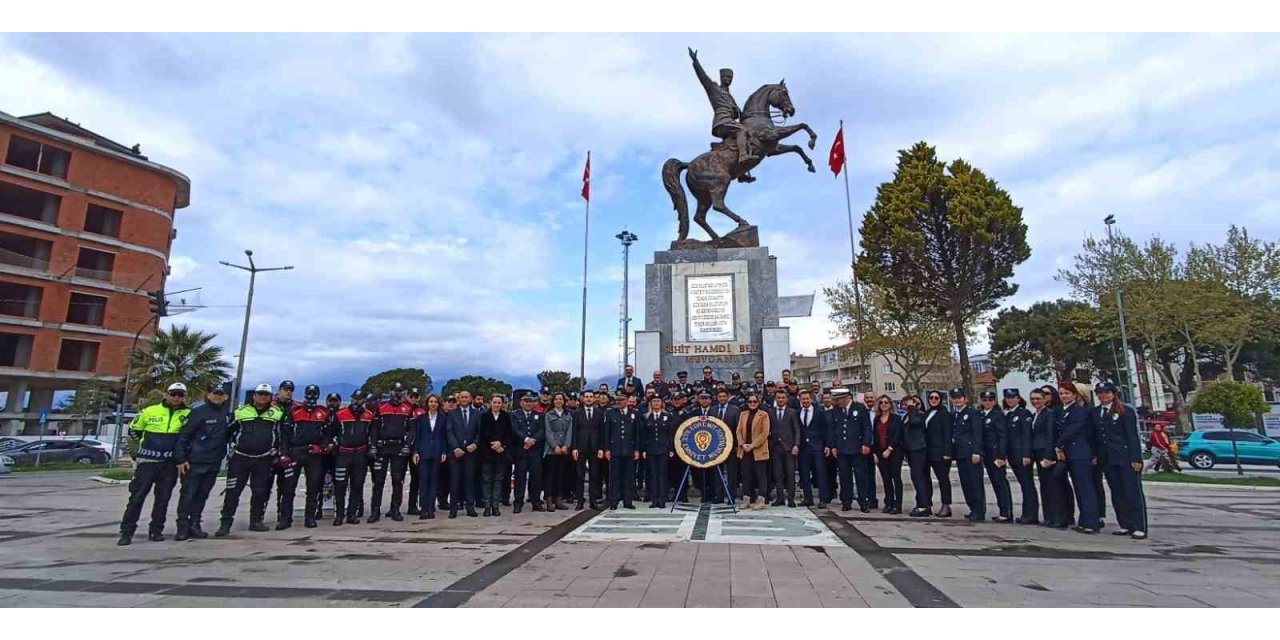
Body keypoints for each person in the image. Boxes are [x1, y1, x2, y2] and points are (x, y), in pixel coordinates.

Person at [117, 382, 191, 545]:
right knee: (137, 498)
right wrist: (140, 451)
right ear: (166, 394)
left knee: (163, 499)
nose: (176, 397)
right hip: (147, 462)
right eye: (173, 394)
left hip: (169, 464)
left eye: (180, 394)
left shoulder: (188, 414)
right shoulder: (149, 411)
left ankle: (156, 530)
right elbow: (134, 431)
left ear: (184, 397)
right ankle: (126, 532)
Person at [216, 384, 283, 537]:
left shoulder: (277, 413)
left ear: (271, 396)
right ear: (254, 395)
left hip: (263, 459)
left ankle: (256, 521)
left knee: (260, 491)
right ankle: (225, 523)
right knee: (233, 491)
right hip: (240, 459)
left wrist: (277, 452)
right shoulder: (240, 412)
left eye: (266, 394)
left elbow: (281, 435)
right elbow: (227, 433)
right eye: (260, 393)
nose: (263, 397)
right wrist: (229, 450)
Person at [173, 381, 231, 541]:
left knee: (202, 496)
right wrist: (181, 459)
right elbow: (183, 436)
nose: (217, 396)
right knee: (188, 495)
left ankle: (195, 524)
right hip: (194, 462)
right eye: (214, 393)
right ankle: (182, 528)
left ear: (225, 396)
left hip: (213, 462)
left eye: (220, 394)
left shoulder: (226, 414)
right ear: (208, 395)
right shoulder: (197, 413)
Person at [1094, 382, 1148, 540]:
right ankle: (1125, 524)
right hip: (1108, 458)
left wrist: (1136, 458)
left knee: (1132, 492)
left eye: (1106, 392)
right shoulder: (1097, 412)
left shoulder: (1125, 411)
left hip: (1125, 457)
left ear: (1113, 393)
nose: (1103, 395)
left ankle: (1139, 526)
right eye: (1100, 392)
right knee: (1117, 493)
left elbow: (1132, 436)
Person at [286, 385, 334, 529]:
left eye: (314, 394)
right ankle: (285, 518)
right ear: (305, 394)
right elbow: (285, 432)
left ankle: (310, 518)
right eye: (309, 393)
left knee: (313, 487)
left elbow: (329, 432)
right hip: (296, 452)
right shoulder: (294, 411)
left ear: (318, 395)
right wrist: (285, 452)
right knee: (289, 487)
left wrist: (323, 446)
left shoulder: (323, 412)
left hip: (315, 453)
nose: (311, 396)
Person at [1056, 382, 1101, 534]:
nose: (1064, 396)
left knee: (1085, 488)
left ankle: (1091, 522)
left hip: (1080, 453)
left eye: (1067, 393)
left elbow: (1072, 430)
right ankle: (1084, 521)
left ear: (1075, 395)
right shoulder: (1064, 411)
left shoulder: (1079, 411)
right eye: (1061, 393)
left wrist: (1058, 444)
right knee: (1079, 489)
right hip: (1071, 453)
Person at [369, 382, 414, 523]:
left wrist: (407, 445)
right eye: (395, 390)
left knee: (398, 480)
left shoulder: (408, 408)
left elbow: (412, 429)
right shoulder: (381, 407)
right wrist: (373, 445)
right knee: (378, 481)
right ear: (390, 391)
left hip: (399, 448)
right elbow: (374, 428)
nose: (397, 393)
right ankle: (375, 511)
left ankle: (395, 509)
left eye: (400, 391)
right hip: (383, 447)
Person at [332, 390, 374, 525]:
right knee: (340, 486)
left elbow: (372, 434)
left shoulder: (369, 415)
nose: (356, 401)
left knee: (357, 486)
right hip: (343, 455)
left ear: (364, 401)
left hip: (360, 455)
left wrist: (371, 448)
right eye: (354, 399)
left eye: (360, 399)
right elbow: (331, 433)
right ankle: (339, 515)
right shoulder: (340, 414)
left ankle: (352, 515)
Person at [1003, 389, 1039, 525]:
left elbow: (1026, 435)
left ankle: (1031, 515)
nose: (1010, 400)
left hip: (1022, 455)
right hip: (1013, 456)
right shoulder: (1009, 415)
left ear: (1019, 399)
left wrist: (1026, 454)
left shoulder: (1024, 414)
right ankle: (1026, 513)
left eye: (1013, 397)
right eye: (1008, 398)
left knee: (1027, 485)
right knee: (1024, 484)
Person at [950, 388, 986, 521]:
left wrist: (977, 451)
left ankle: (979, 510)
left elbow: (977, 433)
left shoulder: (972, 413)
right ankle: (972, 508)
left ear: (965, 399)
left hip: (971, 453)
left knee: (975, 483)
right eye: (954, 398)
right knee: (966, 483)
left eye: (959, 397)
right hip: (960, 454)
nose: (957, 400)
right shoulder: (954, 415)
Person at [977, 390, 1013, 523]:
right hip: (987, 454)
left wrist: (1001, 456)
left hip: (995, 453)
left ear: (994, 401)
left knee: (1000, 482)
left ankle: (1006, 512)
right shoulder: (982, 415)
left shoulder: (997, 415)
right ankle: (1003, 510)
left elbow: (1002, 436)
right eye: (984, 400)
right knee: (995, 482)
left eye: (990, 400)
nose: (987, 402)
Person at [410, 394, 447, 519]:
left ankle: (431, 508)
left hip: (436, 452)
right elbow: (417, 436)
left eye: (435, 402)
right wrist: (415, 452)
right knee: (423, 481)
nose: (433, 404)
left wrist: (443, 452)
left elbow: (444, 437)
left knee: (434, 481)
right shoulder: (421, 418)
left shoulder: (443, 418)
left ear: (438, 404)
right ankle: (423, 508)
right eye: (431, 402)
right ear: (427, 403)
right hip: (423, 452)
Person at [446, 390, 481, 518]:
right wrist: (455, 447)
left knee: (470, 480)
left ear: (470, 399)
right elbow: (449, 432)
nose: (464, 399)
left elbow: (480, 432)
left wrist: (475, 444)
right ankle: (453, 508)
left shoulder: (477, 414)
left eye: (466, 397)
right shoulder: (451, 414)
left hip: (471, 452)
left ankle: (470, 506)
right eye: (462, 397)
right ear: (458, 399)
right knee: (455, 480)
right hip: (456, 453)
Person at [603, 392, 640, 509]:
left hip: (629, 449)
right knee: (615, 477)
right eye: (617, 400)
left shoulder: (634, 414)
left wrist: (637, 449)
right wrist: (607, 449)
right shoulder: (610, 413)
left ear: (627, 400)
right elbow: (606, 433)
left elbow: (637, 433)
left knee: (629, 476)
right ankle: (613, 501)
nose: (618, 402)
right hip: (615, 449)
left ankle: (627, 501)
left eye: (621, 400)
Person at [510, 393, 546, 513]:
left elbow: (542, 430)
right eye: (526, 401)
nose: (528, 403)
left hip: (535, 451)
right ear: (521, 403)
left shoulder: (539, 415)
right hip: (521, 450)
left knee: (536, 478)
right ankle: (518, 502)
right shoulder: (515, 415)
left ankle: (536, 502)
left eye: (530, 401)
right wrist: (526, 439)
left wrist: (533, 440)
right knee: (520, 478)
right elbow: (515, 429)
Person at [920, 391, 954, 517]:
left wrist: (947, 452)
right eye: (931, 397)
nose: (933, 399)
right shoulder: (927, 413)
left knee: (943, 479)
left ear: (941, 399)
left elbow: (948, 434)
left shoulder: (945, 414)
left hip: (940, 452)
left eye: (936, 398)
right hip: (928, 452)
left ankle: (946, 505)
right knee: (926, 479)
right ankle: (927, 504)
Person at [479, 394, 513, 517]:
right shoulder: (484, 416)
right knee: (487, 480)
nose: (497, 405)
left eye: (499, 403)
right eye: (495, 402)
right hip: (487, 453)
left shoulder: (506, 417)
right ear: (490, 403)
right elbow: (482, 435)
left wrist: (501, 445)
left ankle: (495, 506)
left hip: (501, 453)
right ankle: (487, 506)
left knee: (498, 479)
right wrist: (491, 444)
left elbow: (509, 434)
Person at [271, 380, 299, 529]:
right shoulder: (270, 406)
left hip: (289, 453)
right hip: (270, 453)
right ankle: (257, 517)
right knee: (263, 488)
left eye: (290, 389)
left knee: (287, 487)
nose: (288, 392)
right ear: (279, 390)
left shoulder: (296, 407)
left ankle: (284, 516)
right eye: (285, 389)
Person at [573, 389, 607, 510]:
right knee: (579, 475)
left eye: (591, 397)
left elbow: (603, 432)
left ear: (594, 399)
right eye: (586, 397)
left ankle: (593, 501)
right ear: (583, 399)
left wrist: (602, 448)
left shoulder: (599, 413)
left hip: (595, 447)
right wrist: (574, 447)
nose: (588, 399)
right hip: (581, 447)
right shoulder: (577, 413)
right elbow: (574, 431)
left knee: (594, 475)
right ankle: (580, 502)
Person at [736, 393, 771, 509]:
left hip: (758, 450)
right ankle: (747, 499)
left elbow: (765, 433)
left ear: (758, 402)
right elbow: (738, 431)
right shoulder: (743, 414)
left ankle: (761, 499)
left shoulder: (763, 414)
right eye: (750, 402)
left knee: (761, 476)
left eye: (754, 402)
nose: (752, 404)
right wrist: (742, 444)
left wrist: (753, 445)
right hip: (745, 450)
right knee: (746, 475)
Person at [796, 389, 830, 506]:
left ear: (811, 399)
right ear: (800, 400)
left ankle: (822, 499)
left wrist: (827, 445)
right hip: (803, 448)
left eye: (807, 399)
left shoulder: (819, 412)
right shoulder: (797, 412)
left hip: (817, 447)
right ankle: (807, 499)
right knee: (804, 474)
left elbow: (826, 429)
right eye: (803, 399)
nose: (805, 401)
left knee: (820, 473)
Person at [873, 395, 906, 514]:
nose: (883, 404)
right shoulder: (876, 419)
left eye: (886, 402)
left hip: (894, 451)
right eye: (881, 402)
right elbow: (875, 437)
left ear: (890, 404)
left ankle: (898, 505)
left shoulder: (896, 418)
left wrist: (890, 449)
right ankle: (889, 503)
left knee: (896, 478)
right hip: (880, 452)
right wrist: (875, 453)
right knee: (886, 479)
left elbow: (898, 435)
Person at [640, 395, 675, 508]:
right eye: (654, 401)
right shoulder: (646, 417)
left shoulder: (667, 416)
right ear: (651, 403)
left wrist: (670, 449)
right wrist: (644, 449)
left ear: (661, 403)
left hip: (663, 449)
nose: (656, 403)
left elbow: (670, 434)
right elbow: (643, 435)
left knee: (662, 475)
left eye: (658, 401)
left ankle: (662, 499)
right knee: (652, 475)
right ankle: (654, 499)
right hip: (650, 449)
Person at [543, 393, 574, 511]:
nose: (559, 401)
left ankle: (558, 499)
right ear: (553, 401)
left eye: (561, 399)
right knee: (550, 475)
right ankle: (549, 499)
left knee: (561, 475)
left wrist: (566, 446)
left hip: (564, 450)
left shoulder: (568, 415)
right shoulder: (548, 415)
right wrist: (554, 445)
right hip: (551, 450)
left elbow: (569, 432)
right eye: (556, 399)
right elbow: (548, 431)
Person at [769, 389, 800, 507]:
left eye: (783, 398)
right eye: (778, 398)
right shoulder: (771, 412)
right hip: (776, 448)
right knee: (778, 474)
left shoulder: (792, 412)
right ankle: (780, 497)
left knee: (790, 474)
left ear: (786, 399)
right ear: (775, 399)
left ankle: (791, 499)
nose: (780, 400)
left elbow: (797, 430)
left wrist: (796, 445)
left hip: (789, 448)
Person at [902, 395, 930, 517]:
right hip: (910, 450)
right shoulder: (906, 416)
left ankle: (923, 505)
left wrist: (912, 408)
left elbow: (915, 423)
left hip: (918, 449)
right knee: (916, 477)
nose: (907, 406)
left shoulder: (919, 415)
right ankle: (922, 503)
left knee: (918, 476)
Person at [713, 388, 741, 503]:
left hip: (731, 446)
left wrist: (737, 444)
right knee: (717, 472)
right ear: (717, 398)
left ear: (728, 397)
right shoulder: (712, 410)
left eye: (724, 396)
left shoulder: (735, 410)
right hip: (716, 447)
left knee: (732, 472)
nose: (722, 398)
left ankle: (731, 496)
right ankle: (719, 496)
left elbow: (738, 429)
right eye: (720, 397)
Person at [853, 391, 878, 512]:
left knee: (873, 475)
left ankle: (873, 499)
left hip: (877, 447)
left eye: (871, 398)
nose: (869, 399)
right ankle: (867, 498)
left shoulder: (878, 413)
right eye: (867, 398)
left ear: (875, 399)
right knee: (865, 473)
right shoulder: (862, 412)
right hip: (864, 446)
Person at [405, 388, 425, 515]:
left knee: (416, 478)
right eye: (411, 396)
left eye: (416, 396)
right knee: (398, 479)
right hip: (400, 447)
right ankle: (393, 507)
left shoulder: (422, 411)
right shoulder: (402, 409)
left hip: (416, 448)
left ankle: (412, 505)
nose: (414, 398)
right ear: (407, 396)